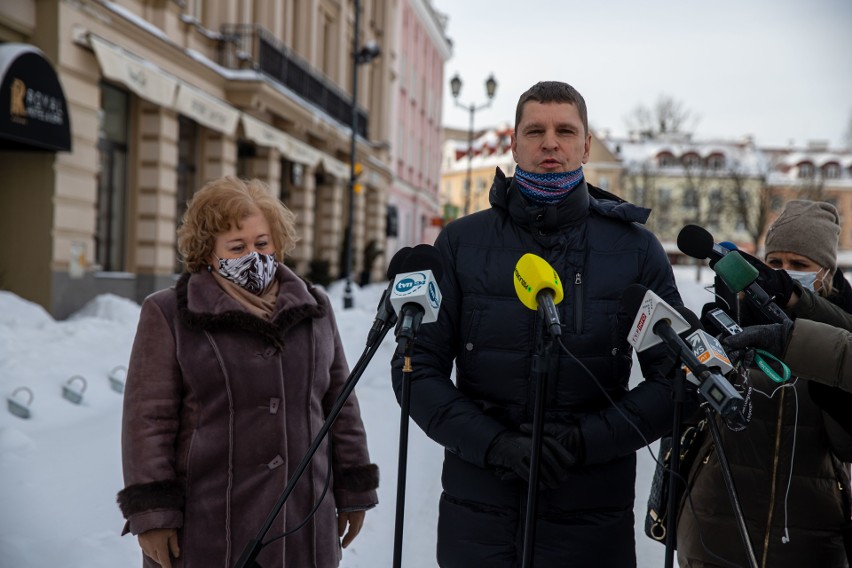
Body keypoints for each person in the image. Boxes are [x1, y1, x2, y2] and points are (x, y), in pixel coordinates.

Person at [391, 81, 682, 567]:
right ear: (514, 143)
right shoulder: (462, 243)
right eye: (536, 130)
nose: (551, 142)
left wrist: (585, 441)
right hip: (479, 513)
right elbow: (417, 371)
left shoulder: (634, 249)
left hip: (591, 517)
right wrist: (495, 445)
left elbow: (675, 381)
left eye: (566, 130)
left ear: (586, 145)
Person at [116, 176, 378, 568]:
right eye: (237, 247)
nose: (253, 256)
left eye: (262, 243)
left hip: (303, 524)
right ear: (208, 252)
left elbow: (340, 405)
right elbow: (148, 421)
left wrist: (353, 489)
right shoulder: (169, 314)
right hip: (209, 528)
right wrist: (152, 515)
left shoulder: (315, 307)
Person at [677, 199, 852, 568]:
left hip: (811, 538)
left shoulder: (841, 336)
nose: (785, 274)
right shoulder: (732, 319)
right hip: (716, 530)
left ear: (826, 275)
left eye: (800, 265)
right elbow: (686, 414)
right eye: (775, 263)